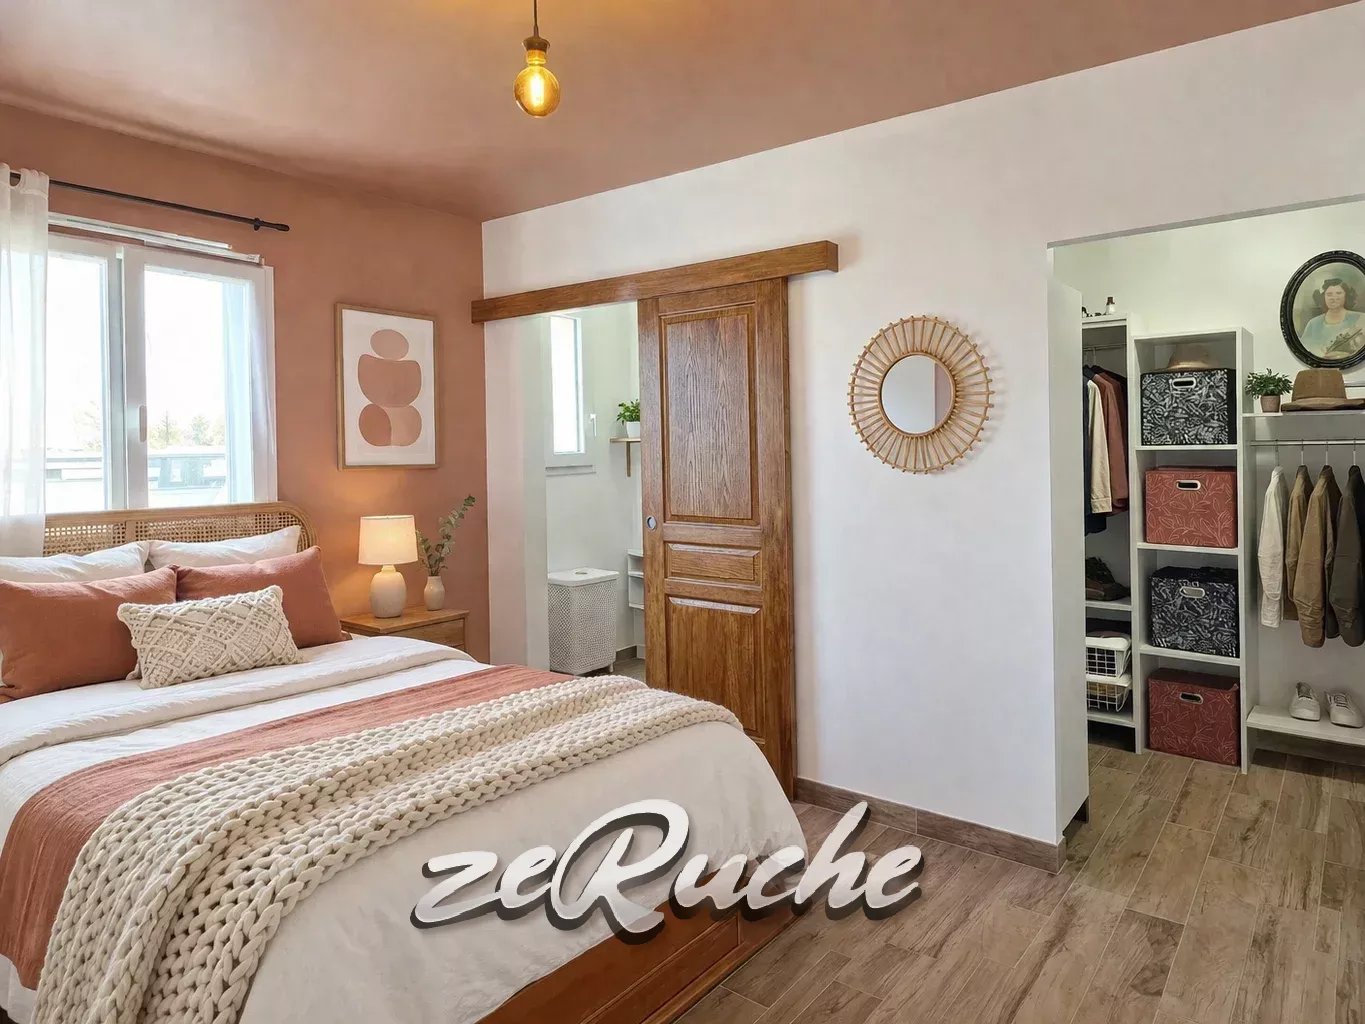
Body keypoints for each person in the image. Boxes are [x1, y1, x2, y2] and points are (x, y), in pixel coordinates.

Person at [1301, 277, 1365, 357]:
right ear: (1323, 297)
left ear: (1346, 296)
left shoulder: (1361, 318)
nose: (1333, 298)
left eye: (1338, 293)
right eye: (1329, 294)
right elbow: (1305, 350)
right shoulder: (1313, 323)